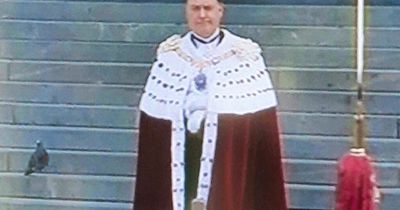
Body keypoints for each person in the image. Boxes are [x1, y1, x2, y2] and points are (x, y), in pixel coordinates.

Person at [133, 0, 288, 209]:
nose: (202, 15)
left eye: (208, 8)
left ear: (220, 11)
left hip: (226, 159)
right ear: (187, 12)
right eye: (196, 8)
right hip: (183, 154)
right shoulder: (170, 55)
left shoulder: (245, 55)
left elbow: (262, 127)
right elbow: (154, 126)